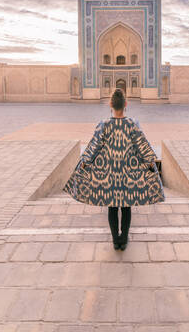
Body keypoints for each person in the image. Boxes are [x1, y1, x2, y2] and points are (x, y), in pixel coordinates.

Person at [63, 87, 165, 250]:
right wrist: (149, 164)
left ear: (110, 104)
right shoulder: (133, 124)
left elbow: (94, 146)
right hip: (128, 174)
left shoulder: (104, 125)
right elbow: (142, 146)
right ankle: (123, 240)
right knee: (126, 207)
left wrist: (85, 162)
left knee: (112, 206)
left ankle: (115, 240)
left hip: (109, 174)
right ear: (125, 104)